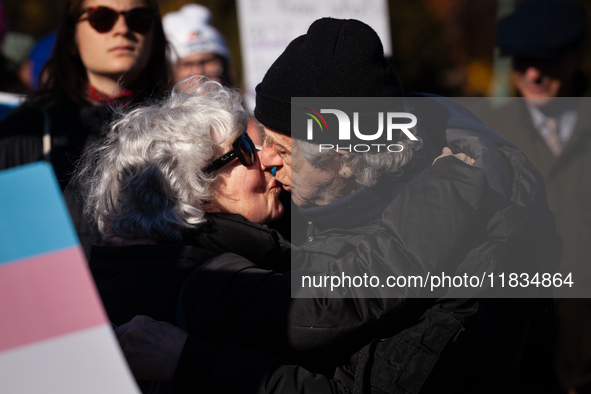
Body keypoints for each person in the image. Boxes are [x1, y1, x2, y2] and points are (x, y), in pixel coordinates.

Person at [115, 18, 561, 393]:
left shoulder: (472, 255)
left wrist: (193, 362)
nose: (267, 161)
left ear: (347, 160)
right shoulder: (307, 208)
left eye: (284, 151)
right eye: (260, 141)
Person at [0, 0, 171, 258]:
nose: (123, 29)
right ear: (71, 37)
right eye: (102, 17)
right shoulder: (22, 134)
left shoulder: (190, 135)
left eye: (139, 18)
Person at [480, 1, 591, 392]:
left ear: (577, 52)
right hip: (519, 361)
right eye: (521, 60)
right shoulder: (487, 135)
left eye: (545, 59)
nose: (531, 74)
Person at [162, 4, 232, 87]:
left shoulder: (250, 100)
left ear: (224, 64)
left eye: (207, 61)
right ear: (172, 72)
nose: (199, 73)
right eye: (187, 64)